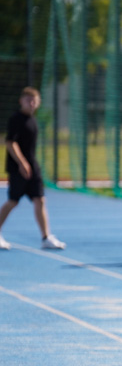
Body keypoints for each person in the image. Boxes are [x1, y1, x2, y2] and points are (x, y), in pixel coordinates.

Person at [0, 87, 65, 251]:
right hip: (18, 168)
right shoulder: (16, 119)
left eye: (34, 100)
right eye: (28, 100)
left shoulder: (33, 120)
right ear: (21, 101)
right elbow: (10, 143)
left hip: (33, 167)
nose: (31, 103)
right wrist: (22, 163)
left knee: (40, 199)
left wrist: (30, 164)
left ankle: (46, 237)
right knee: (13, 201)